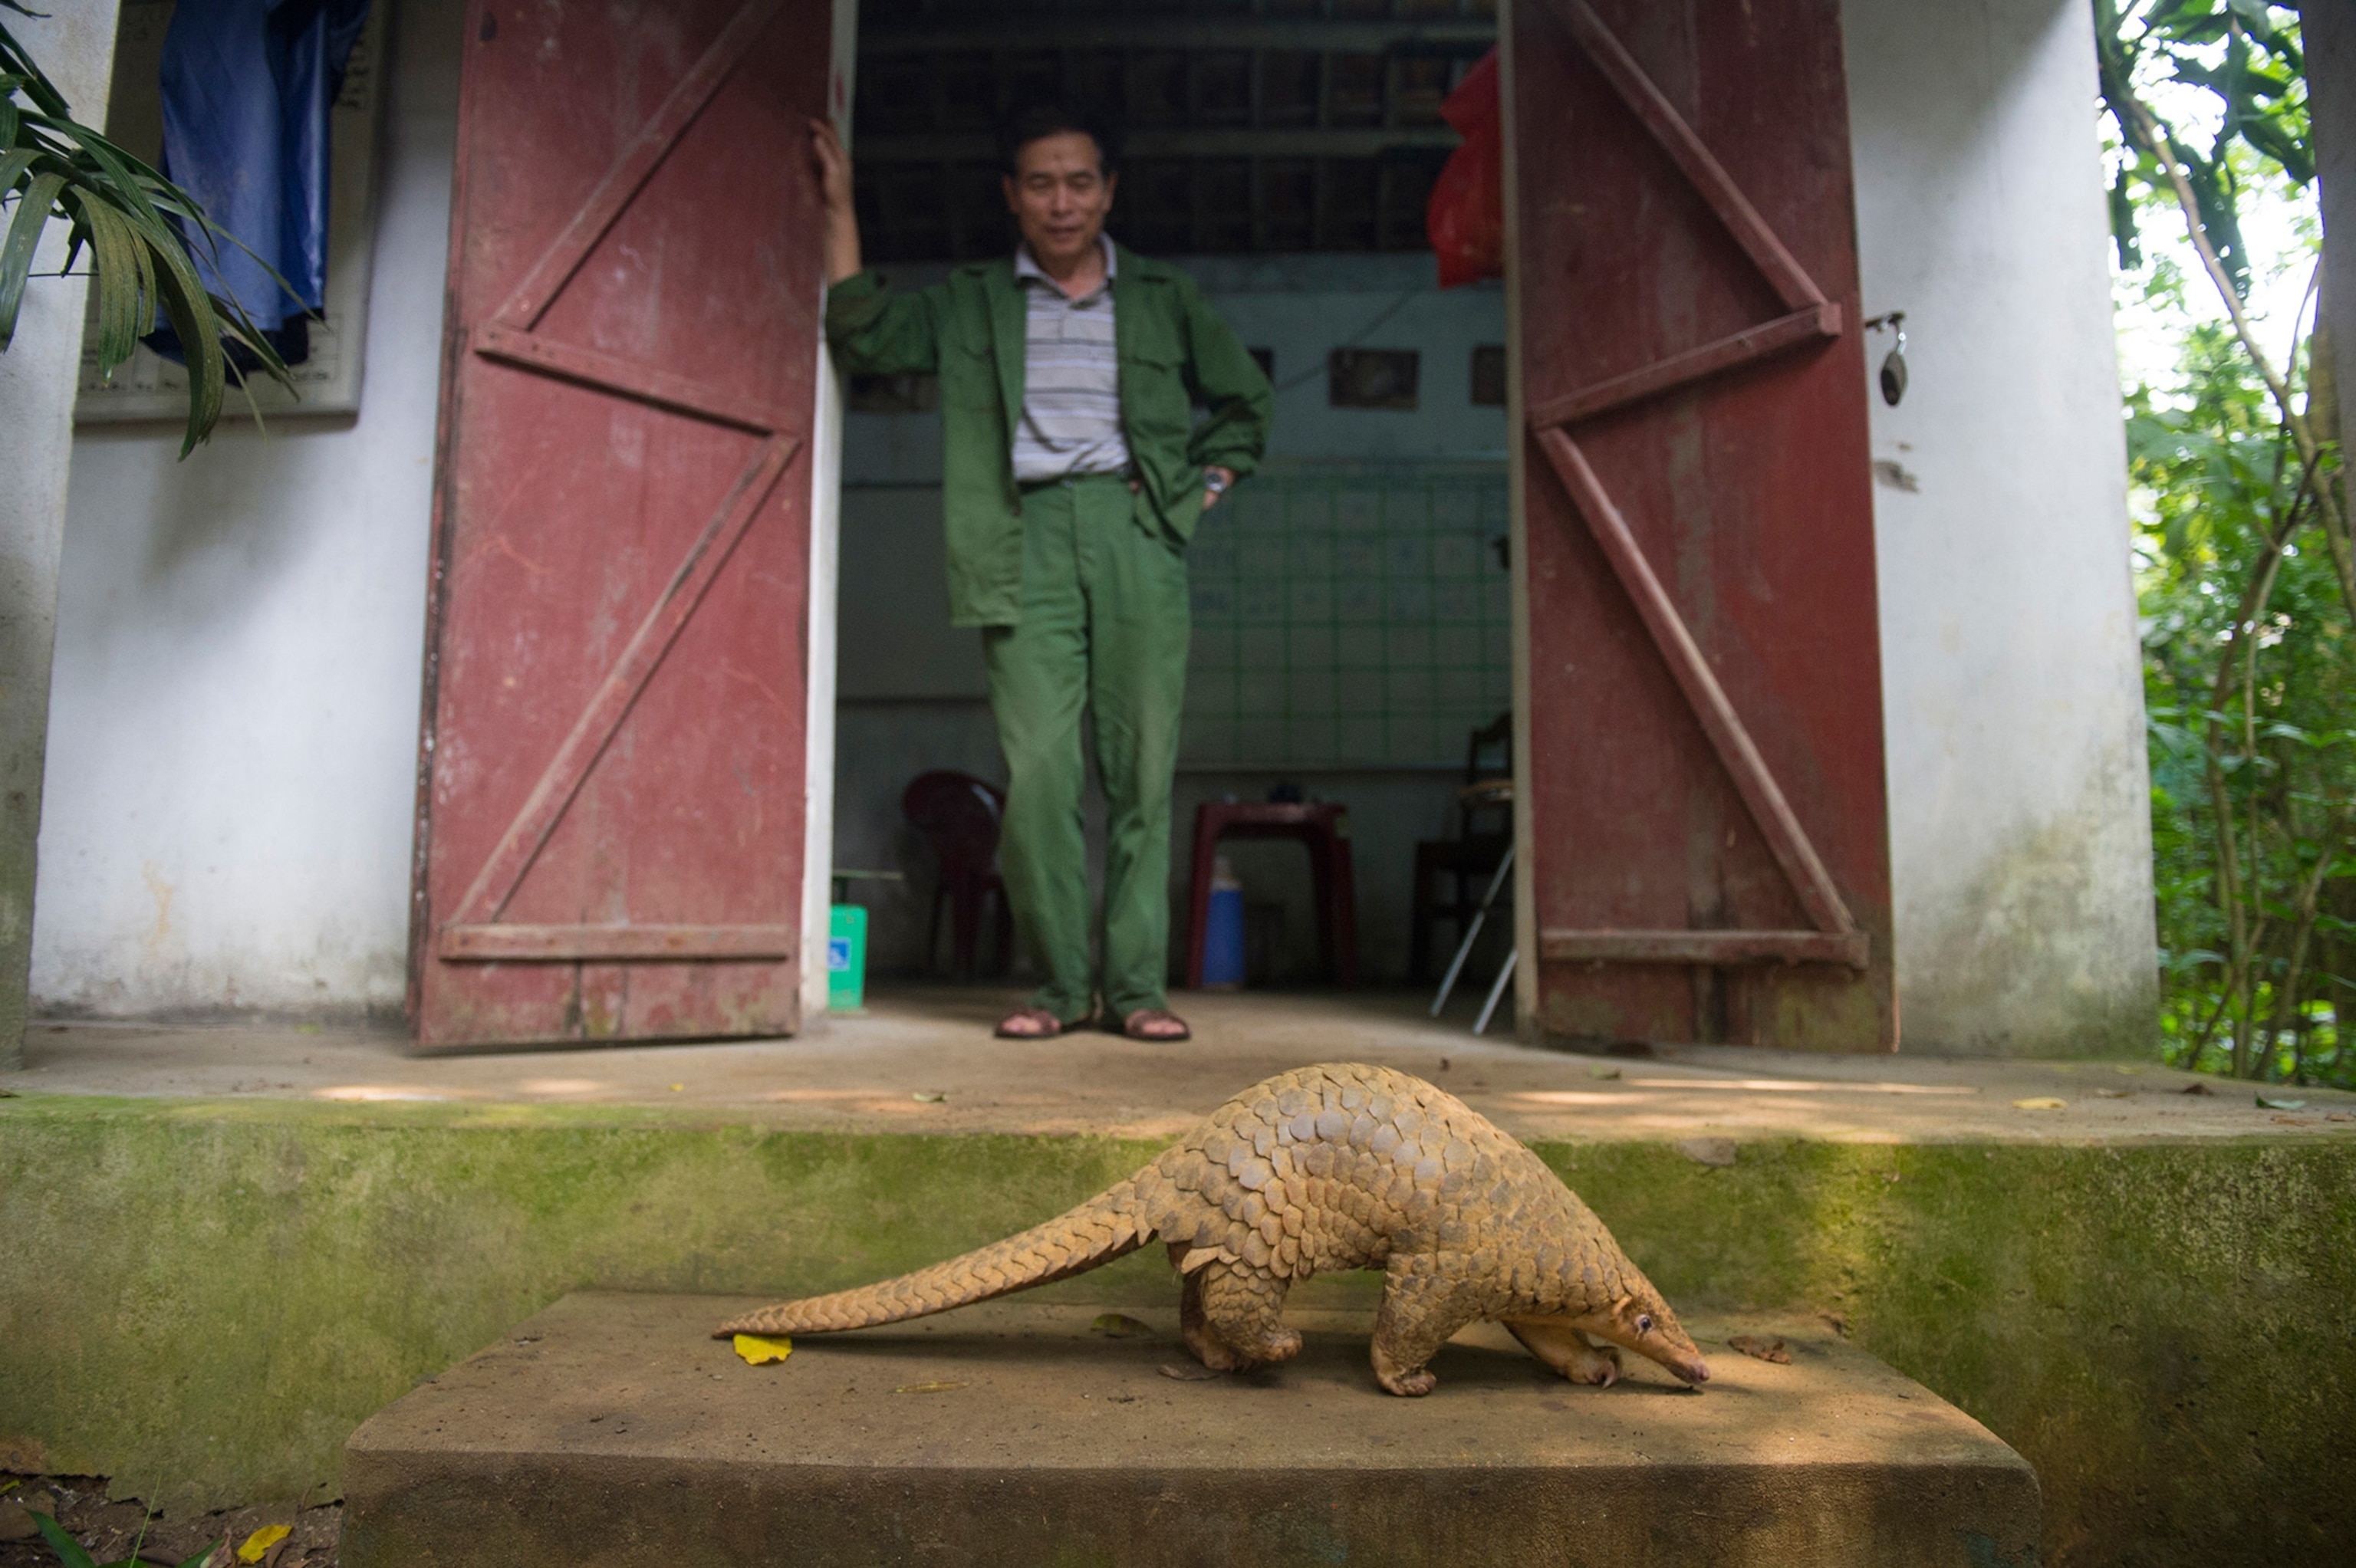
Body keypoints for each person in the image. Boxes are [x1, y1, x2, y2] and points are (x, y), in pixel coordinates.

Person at [811, 106, 1274, 1042]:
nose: (1061, 202)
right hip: (1018, 535)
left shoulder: (1162, 296)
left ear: (1108, 191)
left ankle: (1137, 989)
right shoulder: (974, 298)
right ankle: (1063, 986)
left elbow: (1244, 403)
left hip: (1136, 530)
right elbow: (865, 338)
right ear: (1011, 197)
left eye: (1079, 182)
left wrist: (1203, 485)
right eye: (1040, 183)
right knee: (1039, 777)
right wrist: (840, 207)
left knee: (1142, 770)